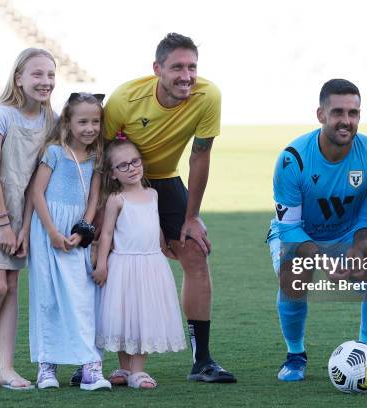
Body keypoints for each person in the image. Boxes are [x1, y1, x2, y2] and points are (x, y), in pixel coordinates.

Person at [95, 32, 235, 383]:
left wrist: (191, 216)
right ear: (157, 68)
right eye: (177, 67)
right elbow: (102, 156)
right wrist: (98, 212)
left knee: (196, 256)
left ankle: (202, 361)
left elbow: (200, 154)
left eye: (192, 67)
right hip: (124, 182)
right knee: (111, 262)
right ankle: (103, 363)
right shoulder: (125, 99)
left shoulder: (208, 96)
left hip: (167, 182)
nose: (186, 75)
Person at [267, 79, 367, 382]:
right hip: (298, 236)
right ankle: (295, 357)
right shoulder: (293, 159)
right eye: (338, 112)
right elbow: (290, 228)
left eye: (353, 113)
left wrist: (355, 252)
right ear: (321, 114)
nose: (346, 121)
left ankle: (365, 353)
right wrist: (324, 262)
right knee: (294, 274)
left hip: (347, 235)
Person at [0, 48, 56, 390]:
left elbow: (37, 180)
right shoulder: (1, 115)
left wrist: (25, 226)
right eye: (37, 74)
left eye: (50, 74)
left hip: (20, 210)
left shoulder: (51, 120)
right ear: (19, 78)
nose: (45, 81)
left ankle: (7, 368)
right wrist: (3, 223)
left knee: (13, 287)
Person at [28, 92, 110, 391]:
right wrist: (51, 231)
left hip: (77, 235)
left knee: (83, 299)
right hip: (48, 231)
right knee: (47, 298)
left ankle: (90, 366)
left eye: (96, 122)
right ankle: (46, 367)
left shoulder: (96, 157)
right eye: (83, 122)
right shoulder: (54, 152)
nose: (90, 128)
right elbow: (37, 193)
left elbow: (92, 197)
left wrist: (83, 229)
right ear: (68, 121)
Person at [93, 138, 186, 389]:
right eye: (122, 166)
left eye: (135, 161)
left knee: (144, 316)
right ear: (112, 173)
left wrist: (164, 247)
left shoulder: (153, 194)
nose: (132, 168)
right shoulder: (116, 199)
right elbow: (108, 234)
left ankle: (138, 370)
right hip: (123, 265)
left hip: (150, 265)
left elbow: (155, 226)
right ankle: (124, 367)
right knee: (123, 317)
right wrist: (101, 264)